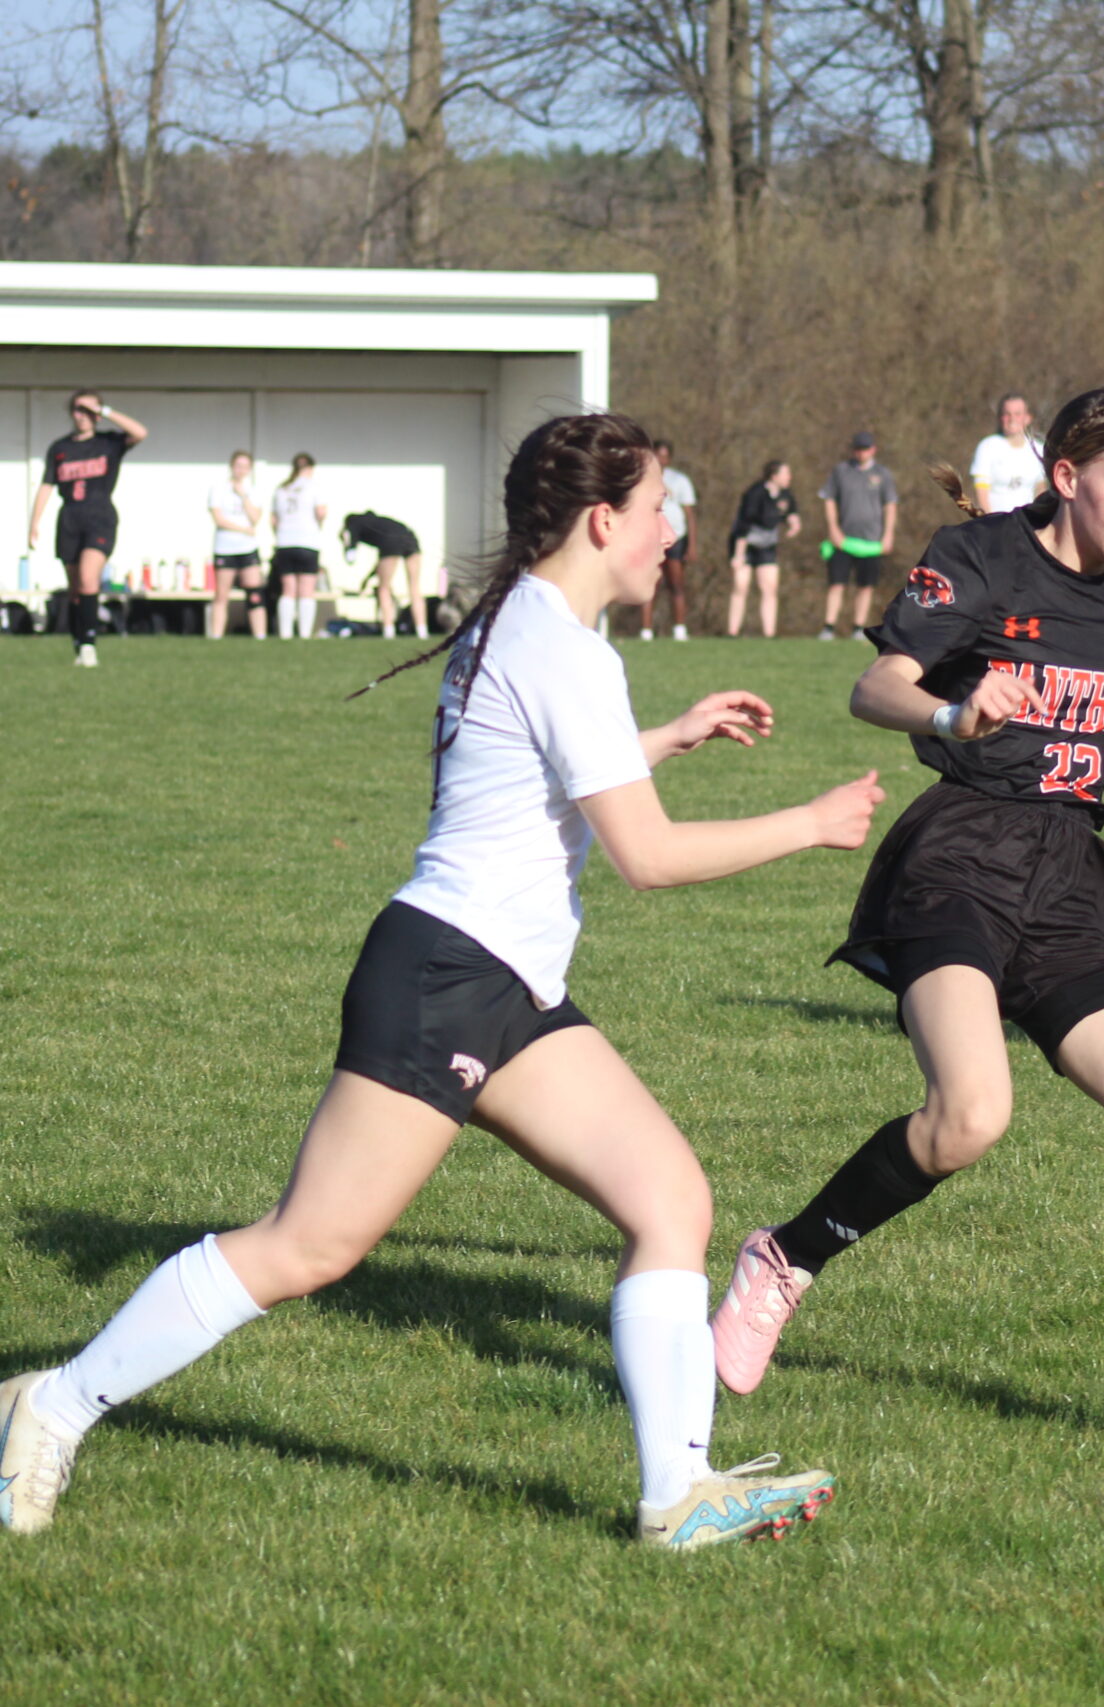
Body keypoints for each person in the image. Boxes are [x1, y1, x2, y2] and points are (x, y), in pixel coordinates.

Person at [0, 413, 887, 1549]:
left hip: (506, 988)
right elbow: (649, 857)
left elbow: (537, 776)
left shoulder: (529, 622)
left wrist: (665, 736)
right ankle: (53, 1403)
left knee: (670, 1199)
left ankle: (678, 1493)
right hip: (445, 977)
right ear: (603, 519)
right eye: (658, 508)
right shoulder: (562, 645)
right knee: (309, 1244)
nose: (672, 530)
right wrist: (809, 825)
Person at [706, 387, 1104, 1453]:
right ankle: (787, 1256)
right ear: (1065, 476)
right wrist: (952, 713)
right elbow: (877, 684)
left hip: (1065, 882)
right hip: (959, 860)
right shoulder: (978, 558)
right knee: (971, 1115)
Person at [26, 390, 148, 668]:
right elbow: (47, 485)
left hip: (100, 516)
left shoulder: (108, 443)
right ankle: (78, 643)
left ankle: (90, 645)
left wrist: (104, 410)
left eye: (88, 411)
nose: (82, 416)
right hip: (70, 518)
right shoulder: (60, 448)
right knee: (75, 589)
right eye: (78, 410)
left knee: (88, 579)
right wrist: (34, 523)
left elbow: (140, 432)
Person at [818, 431, 898, 640]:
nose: (861, 453)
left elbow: (890, 505)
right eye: (858, 449)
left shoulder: (883, 474)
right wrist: (833, 529)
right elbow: (828, 499)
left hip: (872, 541)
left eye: (865, 449)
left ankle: (858, 627)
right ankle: (828, 627)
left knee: (866, 586)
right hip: (843, 540)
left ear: (873, 450)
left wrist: (888, 535)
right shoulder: (841, 471)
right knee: (837, 583)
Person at [727, 461, 800, 639]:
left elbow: (792, 513)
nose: (789, 477)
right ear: (774, 476)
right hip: (745, 544)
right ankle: (732, 632)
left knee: (770, 587)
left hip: (767, 545)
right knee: (741, 586)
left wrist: (794, 525)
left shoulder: (785, 494)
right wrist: (738, 556)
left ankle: (769, 634)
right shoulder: (755, 493)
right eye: (785, 473)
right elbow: (744, 524)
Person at [206, 449, 266, 641]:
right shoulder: (218, 489)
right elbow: (219, 519)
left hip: (247, 548)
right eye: (238, 466)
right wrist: (243, 529)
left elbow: (255, 518)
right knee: (222, 594)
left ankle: (260, 635)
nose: (241, 470)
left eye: (245, 467)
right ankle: (216, 636)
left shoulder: (253, 491)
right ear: (232, 466)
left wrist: (243, 496)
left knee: (254, 593)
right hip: (225, 548)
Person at [642, 439, 696, 642]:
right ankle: (646, 630)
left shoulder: (679, 480)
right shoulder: (643, 479)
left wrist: (692, 544)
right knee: (650, 584)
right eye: (658, 455)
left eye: (665, 456)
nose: (661, 459)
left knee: (676, 583)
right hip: (651, 537)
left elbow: (689, 514)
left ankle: (679, 628)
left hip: (675, 537)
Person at [343, 510, 429, 637]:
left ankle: (388, 630)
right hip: (410, 537)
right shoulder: (377, 523)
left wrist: (346, 546)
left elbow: (350, 555)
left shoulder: (353, 522)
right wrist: (368, 578)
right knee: (414, 587)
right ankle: (422, 631)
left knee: (384, 588)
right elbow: (381, 564)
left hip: (391, 541)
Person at [270, 453, 329, 640]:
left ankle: (285, 633)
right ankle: (304, 633)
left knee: (288, 589)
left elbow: (273, 520)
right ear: (310, 468)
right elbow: (321, 513)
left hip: (284, 542)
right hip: (307, 542)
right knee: (306, 590)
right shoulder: (314, 487)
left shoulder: (282, 489)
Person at [969, 394, 1046, 515]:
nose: (1012, 419)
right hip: (996, 521)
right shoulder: (987, 447)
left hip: (1027, 521)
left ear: (1027, 418)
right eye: (1007, 414)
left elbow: (1040, 489)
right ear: (1000, 418)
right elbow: (981, 492)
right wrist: (990, 520)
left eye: (1017, 414)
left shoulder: (1038, 449)